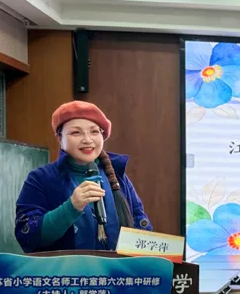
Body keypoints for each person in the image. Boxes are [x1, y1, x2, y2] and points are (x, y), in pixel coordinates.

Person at [15, 101, 152, 253]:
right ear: (60, 138)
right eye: (76, 132)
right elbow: (27, 235)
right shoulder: (41, 179)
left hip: (116, 267)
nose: (87, 139)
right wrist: (71, 207)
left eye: (94, 132)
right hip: (67, 268)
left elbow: (141, 228)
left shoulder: (118, 177)